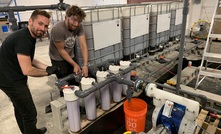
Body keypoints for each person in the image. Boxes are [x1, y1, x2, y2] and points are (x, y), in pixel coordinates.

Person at [0, 10, 59, 134]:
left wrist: (47, 67)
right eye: (40, 23)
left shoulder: (28, 36)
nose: (43, 28)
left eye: (46, 26)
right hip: (10, 80)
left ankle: (27, 132)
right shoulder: (23, 39)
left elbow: (29, 59)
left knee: (20, 108)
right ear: (30, 21)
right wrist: (47, 73)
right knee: (30, 113)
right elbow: (27, 69)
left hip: (8, 76)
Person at [49, 5, 89, 96]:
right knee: (64, 82)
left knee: (75, 79)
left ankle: (76, 100)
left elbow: (83, 45)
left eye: (79, 21)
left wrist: (85, 65)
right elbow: (61, 50)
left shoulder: (79, 26)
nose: (76, 24)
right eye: (74, 20)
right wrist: (74, 64)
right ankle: (65, 100)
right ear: (67, 17)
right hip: (58, 58)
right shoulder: (57, 29)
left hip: (70, 55)